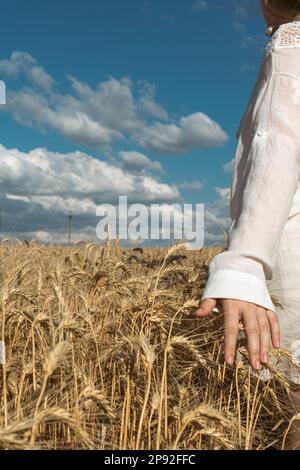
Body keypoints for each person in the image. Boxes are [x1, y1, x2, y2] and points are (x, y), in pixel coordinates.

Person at [195, 0, 300, 450]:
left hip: (287, 254)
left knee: (289, 404)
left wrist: (243, 262)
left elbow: (276, 141)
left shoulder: (292, 43)